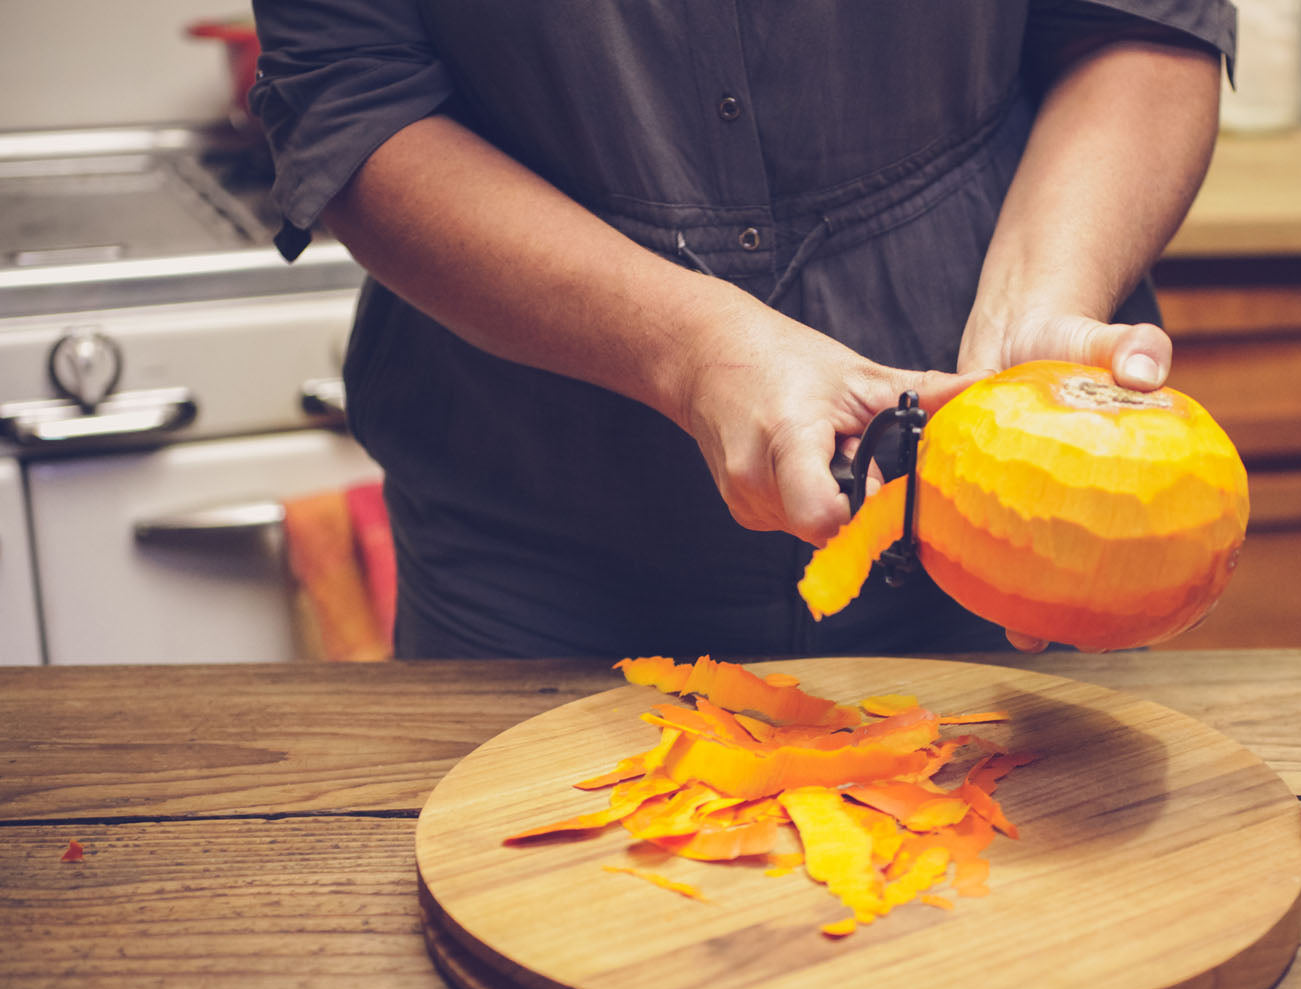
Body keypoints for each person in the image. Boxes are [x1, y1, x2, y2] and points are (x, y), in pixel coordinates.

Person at [249, 2, 1236, 661]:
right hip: (534, 554)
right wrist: (693, 350)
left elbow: (1141, 19)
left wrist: (1043, 293)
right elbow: (351, 100)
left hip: (996, 545)